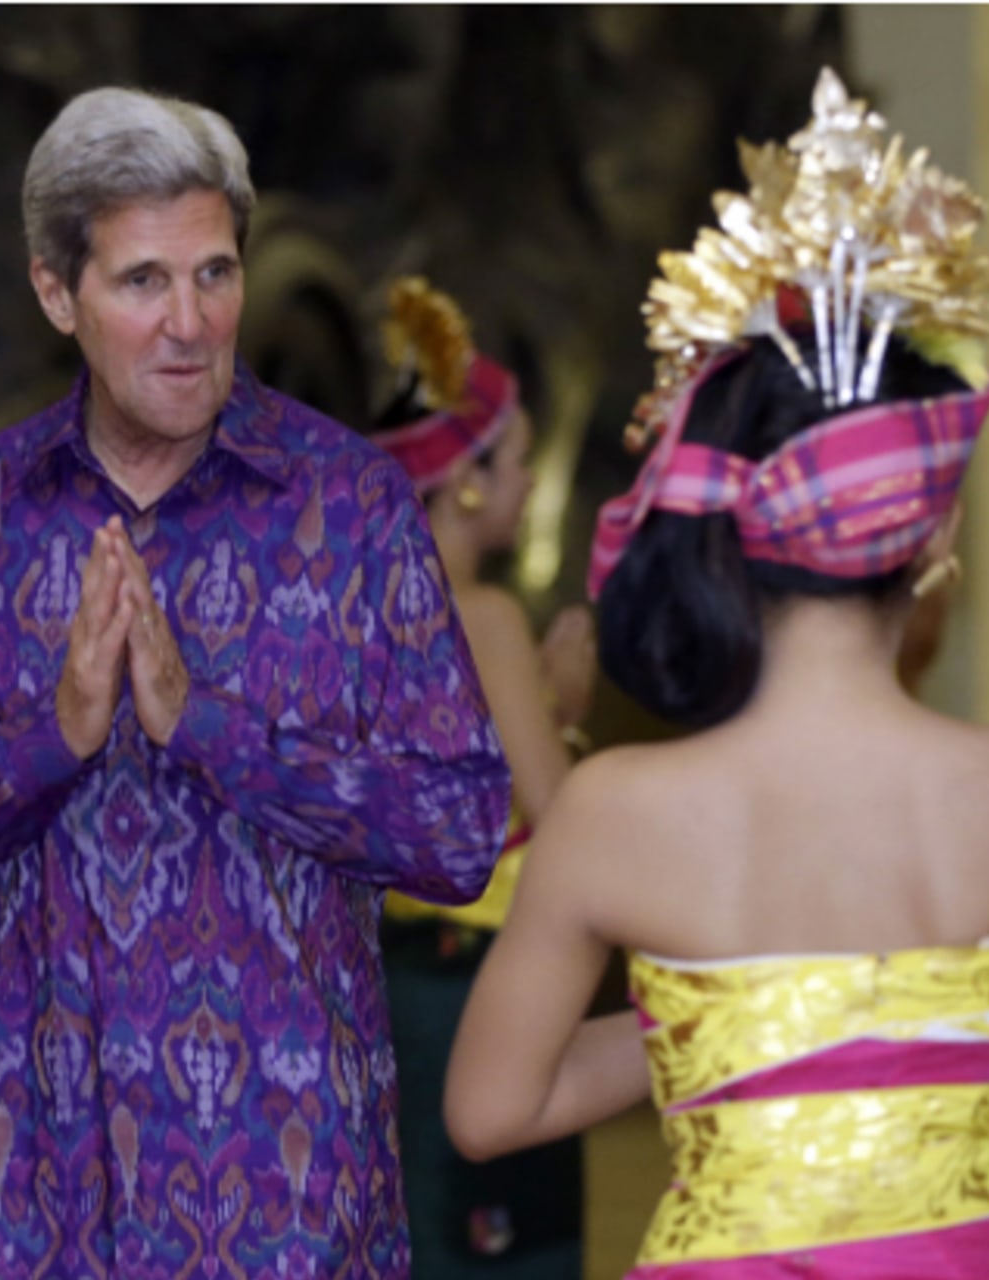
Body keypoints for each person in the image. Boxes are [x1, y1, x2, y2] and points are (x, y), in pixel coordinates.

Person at [445, 70, 989, 1279]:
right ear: (933, 538)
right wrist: (924, 1027)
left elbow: (490, 1110)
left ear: (731, 523)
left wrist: (724, 1023)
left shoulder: (616, 808)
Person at [0, 88, 511, 1277]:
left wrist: (207, 725)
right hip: (29, 1199)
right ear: (56, 292)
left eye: (216, 274)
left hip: (284, 1198)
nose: (190, 323)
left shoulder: (349, 507)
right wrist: (59, 732)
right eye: (143, 281)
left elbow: (460, 830)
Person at [365, 277, 593, 1274]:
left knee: (418, 1216)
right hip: (482, 976)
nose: (530, 480)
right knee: (503, 1232)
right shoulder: (487, 614)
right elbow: (554, 813)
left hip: (390, 977)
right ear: (462, 478)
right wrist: (566, 721)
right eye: (516, 458)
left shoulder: (355, 608)